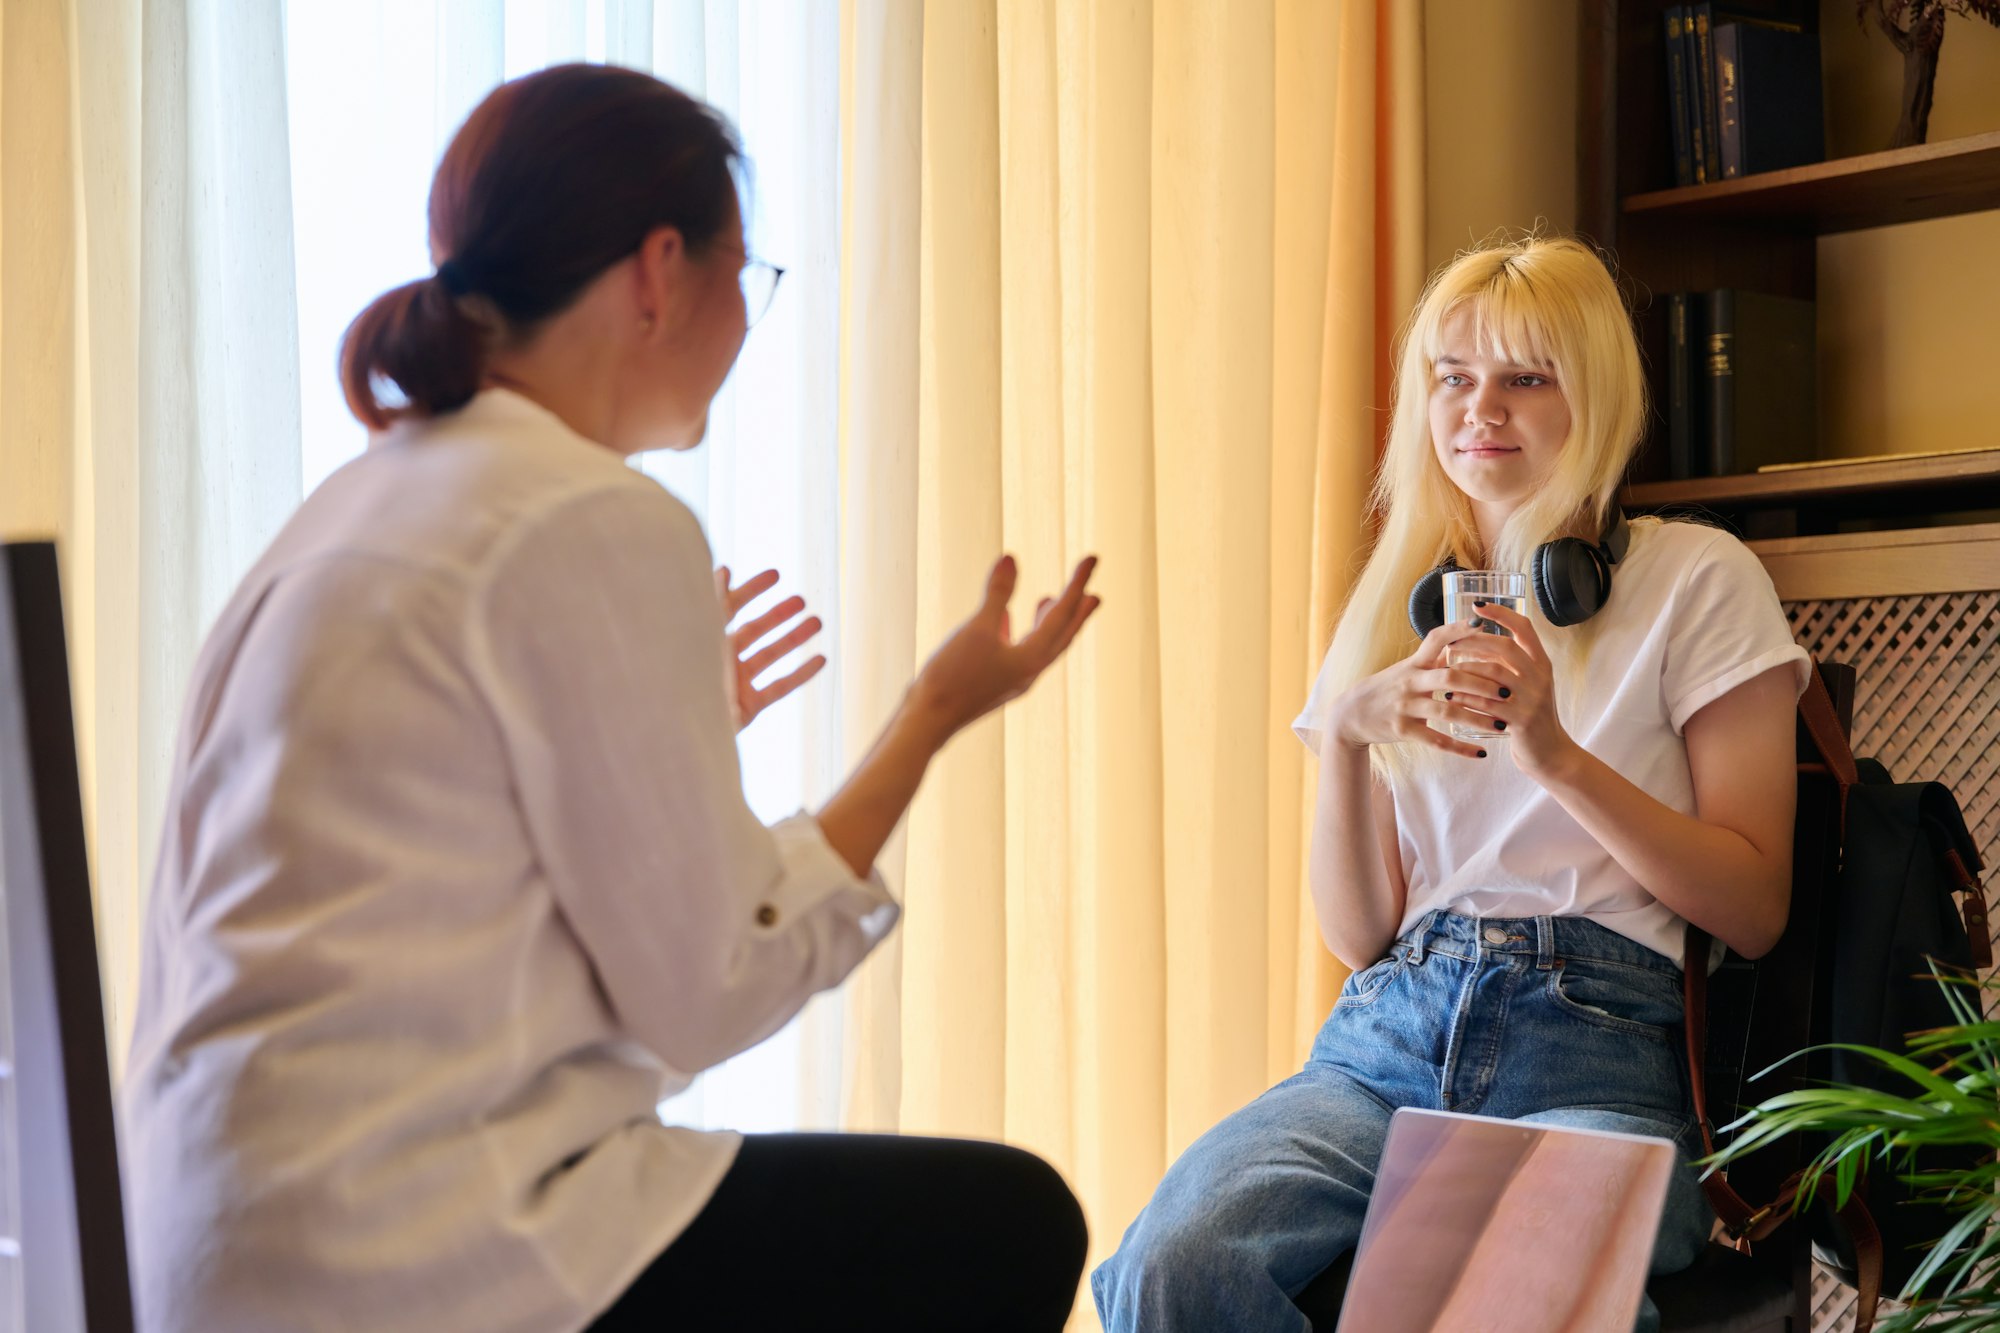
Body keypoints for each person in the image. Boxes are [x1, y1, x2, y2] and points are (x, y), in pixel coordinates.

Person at [120, 64, 1096, 1333]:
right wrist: (929, 714)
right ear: (657, 270)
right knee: (1006, 1223)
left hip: (208, 1239)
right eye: (745, 275)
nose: (748, 321)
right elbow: (710, 991)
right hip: (408, 1250)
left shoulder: (355, 505)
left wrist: (680, 740)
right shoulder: (590, 516)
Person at [1091, 234, 1810, 1333]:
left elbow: (1754, 910)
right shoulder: (1396, 602)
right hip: (1383, 1042)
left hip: (1593, 1047)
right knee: (1171, 1265)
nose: (1481, 408)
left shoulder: (1694, 577)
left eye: (1525, 377)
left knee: (1478, 1308)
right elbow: (1356, 932)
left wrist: (1554, 755)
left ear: (1595, 397)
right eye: (1453, 378)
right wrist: (1340, 735)